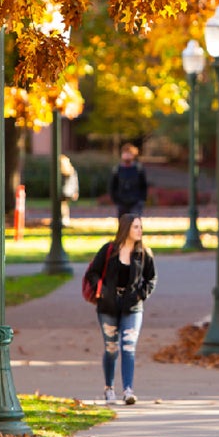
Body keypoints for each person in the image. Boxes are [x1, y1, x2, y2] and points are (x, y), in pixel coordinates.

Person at [84, 214, 156, 405]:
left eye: (140, 227)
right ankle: (109, 388)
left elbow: (151, 278)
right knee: (111, 348)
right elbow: (93, 272)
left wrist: (141, 294)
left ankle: (128, 390)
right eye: (136, 227)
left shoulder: (144, 253)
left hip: (132, 307)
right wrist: (103, 291)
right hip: (108, 306)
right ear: (125, 229)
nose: (140, 231)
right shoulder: (109, 250)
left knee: (129, 347)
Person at [109, 143, 148, 218]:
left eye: (129, 153)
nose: (127, 155)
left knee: (134, 221)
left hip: (136, 201)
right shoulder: (117, 169)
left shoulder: (138, 169)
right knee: (124, 223)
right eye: (125, 153)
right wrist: (116, 199)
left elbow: (143, 185)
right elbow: (112, 186)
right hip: (121, 201)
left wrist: (141, 199)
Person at [60, 154, 79, 226]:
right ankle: (65, 219)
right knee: (64, 205)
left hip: (64, 191)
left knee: (62, 205)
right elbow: (75, 182)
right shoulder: (71, 170)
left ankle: (63, 219)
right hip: (69, 192)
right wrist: (75, 191)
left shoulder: (62, 171)